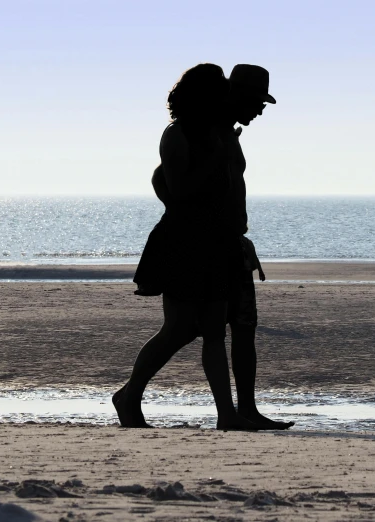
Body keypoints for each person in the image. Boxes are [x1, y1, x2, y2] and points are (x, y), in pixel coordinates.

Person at [114, 63, 257, 430]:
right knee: (178, 328)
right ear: (203, 95)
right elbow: (177, 191)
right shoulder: (177, 135)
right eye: (219, 89)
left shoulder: (217, 133)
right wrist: (214, 158)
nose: (225, 95)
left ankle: (227, 415)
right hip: (183, 240)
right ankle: (129, 395)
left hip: (216, 240)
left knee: (212, 330)